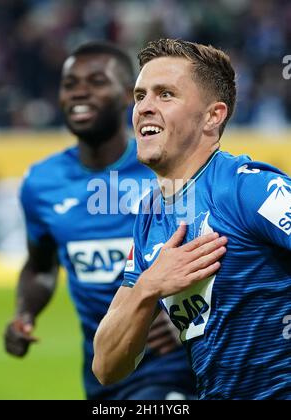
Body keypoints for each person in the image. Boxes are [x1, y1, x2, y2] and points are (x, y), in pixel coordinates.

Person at [3, 41, 224, 400]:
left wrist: (185, 311)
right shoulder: (41, 183)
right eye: (70, 83)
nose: (80, 93)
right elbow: (41, 266)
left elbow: (230, 255)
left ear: (128, 97)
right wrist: (24, 315)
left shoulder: (169, 168)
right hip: (105, 375)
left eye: (95, 81)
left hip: (179, 369)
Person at [93, 39, 291, 400]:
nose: (144, 108)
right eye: (140, 96)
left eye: (165, 94)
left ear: (212, 116)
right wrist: (150, 285)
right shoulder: (150, 218)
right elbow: (106, 365)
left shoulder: (246, 188)